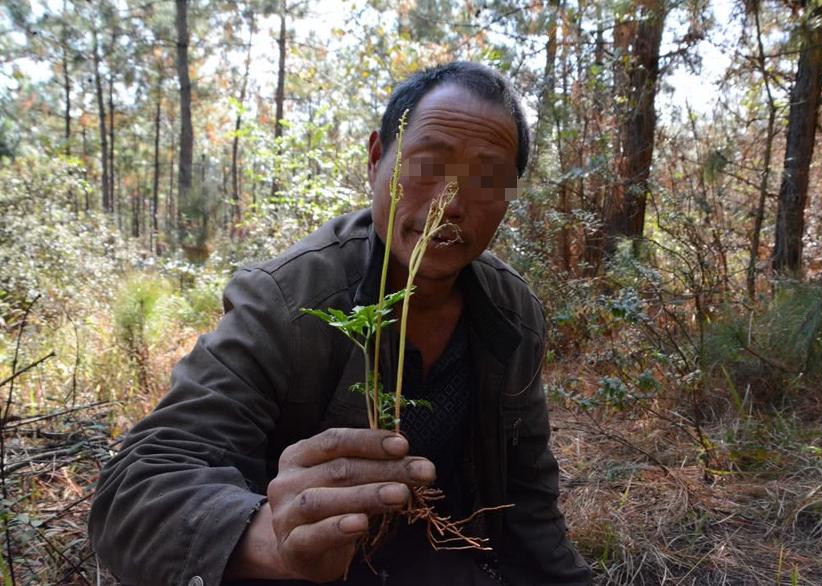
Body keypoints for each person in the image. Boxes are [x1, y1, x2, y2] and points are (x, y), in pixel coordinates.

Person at [89, 61, 593, 586]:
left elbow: (528, 500)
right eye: (426, 164)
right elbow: (135, 489)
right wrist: (274, 541)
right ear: (376, 160)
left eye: (487, 179)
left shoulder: (513, 316)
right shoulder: (286, 300)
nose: (452, 204)